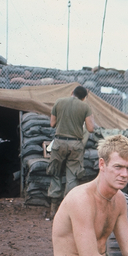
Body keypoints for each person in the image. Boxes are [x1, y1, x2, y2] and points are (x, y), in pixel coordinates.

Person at [47, 85, 95, 218]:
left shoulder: (59, 102)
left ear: (72, 92)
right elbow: (90, 129)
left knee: (55, 173)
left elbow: (52, 124)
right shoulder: (85, 107)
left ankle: (53, 209)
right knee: (72, 176)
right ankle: (67, 210)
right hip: (75, 144)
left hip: (59, 143)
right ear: (84, 97)